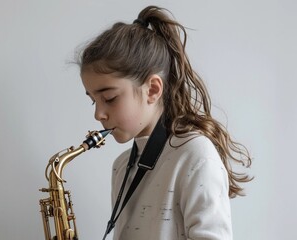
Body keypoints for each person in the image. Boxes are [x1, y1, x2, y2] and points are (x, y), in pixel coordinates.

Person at [77, 5, 252, 240]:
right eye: (93, 101)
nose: (99, 114)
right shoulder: (121, 166)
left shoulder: (194, 155)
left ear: (152, 89)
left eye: (109, 98)